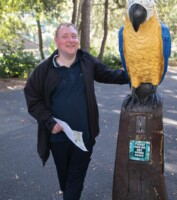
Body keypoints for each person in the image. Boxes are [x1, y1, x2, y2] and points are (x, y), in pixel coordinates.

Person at [24, 22, 129, 200]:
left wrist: (137, 75)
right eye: (64, 36)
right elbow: (33, 99)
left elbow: (110, 74)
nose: (70, 40)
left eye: (73, 36)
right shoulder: (44, 70)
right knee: (65, 181)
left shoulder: (86, 61)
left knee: (75, 182)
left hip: (84, 138)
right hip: (58, 138)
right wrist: (49, 122)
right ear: (56, 41)